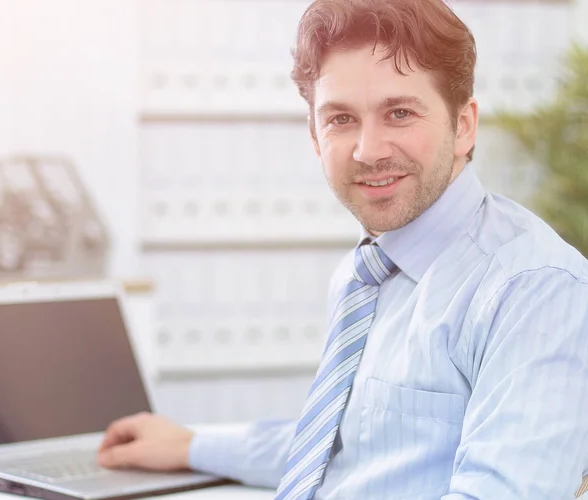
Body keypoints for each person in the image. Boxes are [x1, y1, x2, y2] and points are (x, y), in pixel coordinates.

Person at [97, 0, 588, 498]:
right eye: (340, 119)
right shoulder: (367, 274)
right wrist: (192, 445)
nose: (368, 150)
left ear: (463, 126)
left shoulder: (534, 289)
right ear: (314, 135)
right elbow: (349, 448)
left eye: (399, 113)